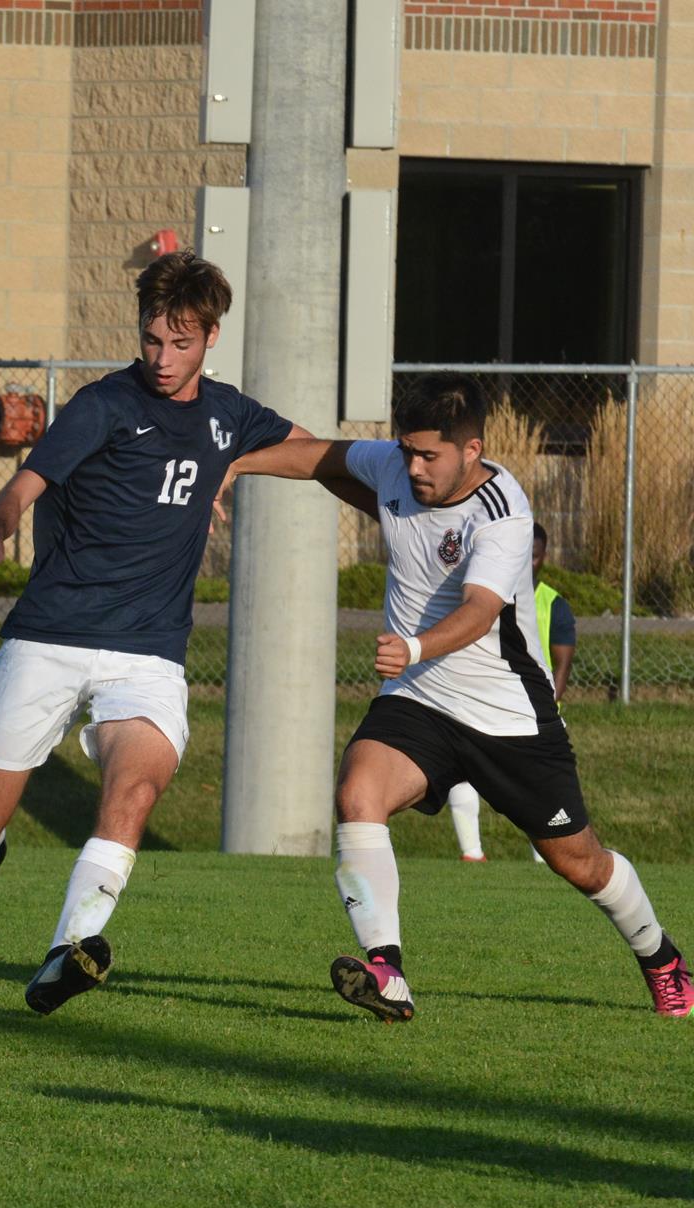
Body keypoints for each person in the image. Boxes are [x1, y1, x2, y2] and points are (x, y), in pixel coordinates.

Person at [0, 250, 308, 1015]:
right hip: (51, 635)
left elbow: (316, 452)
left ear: (211, 337)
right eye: (152, 339)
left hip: (147, 655)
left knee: (133, 791)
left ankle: (67, 950)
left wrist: (252, 465)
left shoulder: (228, 415)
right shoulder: (101, 405)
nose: (163, 357)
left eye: (181, 343)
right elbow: (21, 487)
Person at [229, 374, 687, 1019]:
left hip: (507, 713)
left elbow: (478, 612)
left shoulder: (502, 513)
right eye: (406, 451)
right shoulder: (397, 464)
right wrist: (232, 465)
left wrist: (414, 647)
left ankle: (661, 957)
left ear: (472, 450)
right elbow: (320, 457)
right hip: (420, 698)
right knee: (358, 795)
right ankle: (386, 970)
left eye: (428, 456)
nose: (412, 467)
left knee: (579, 862)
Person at [445, 521, 575, 861]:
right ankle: (472, 854)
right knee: (461, 771)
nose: (526, 562)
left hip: (528, 713)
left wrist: (544, 708)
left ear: (544, 558)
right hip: (478, 701)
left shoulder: (553, 604)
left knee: (538, 788)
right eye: (522, 553)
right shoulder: (476, 594)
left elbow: (562, 667)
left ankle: (545, 861)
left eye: (534, 556)